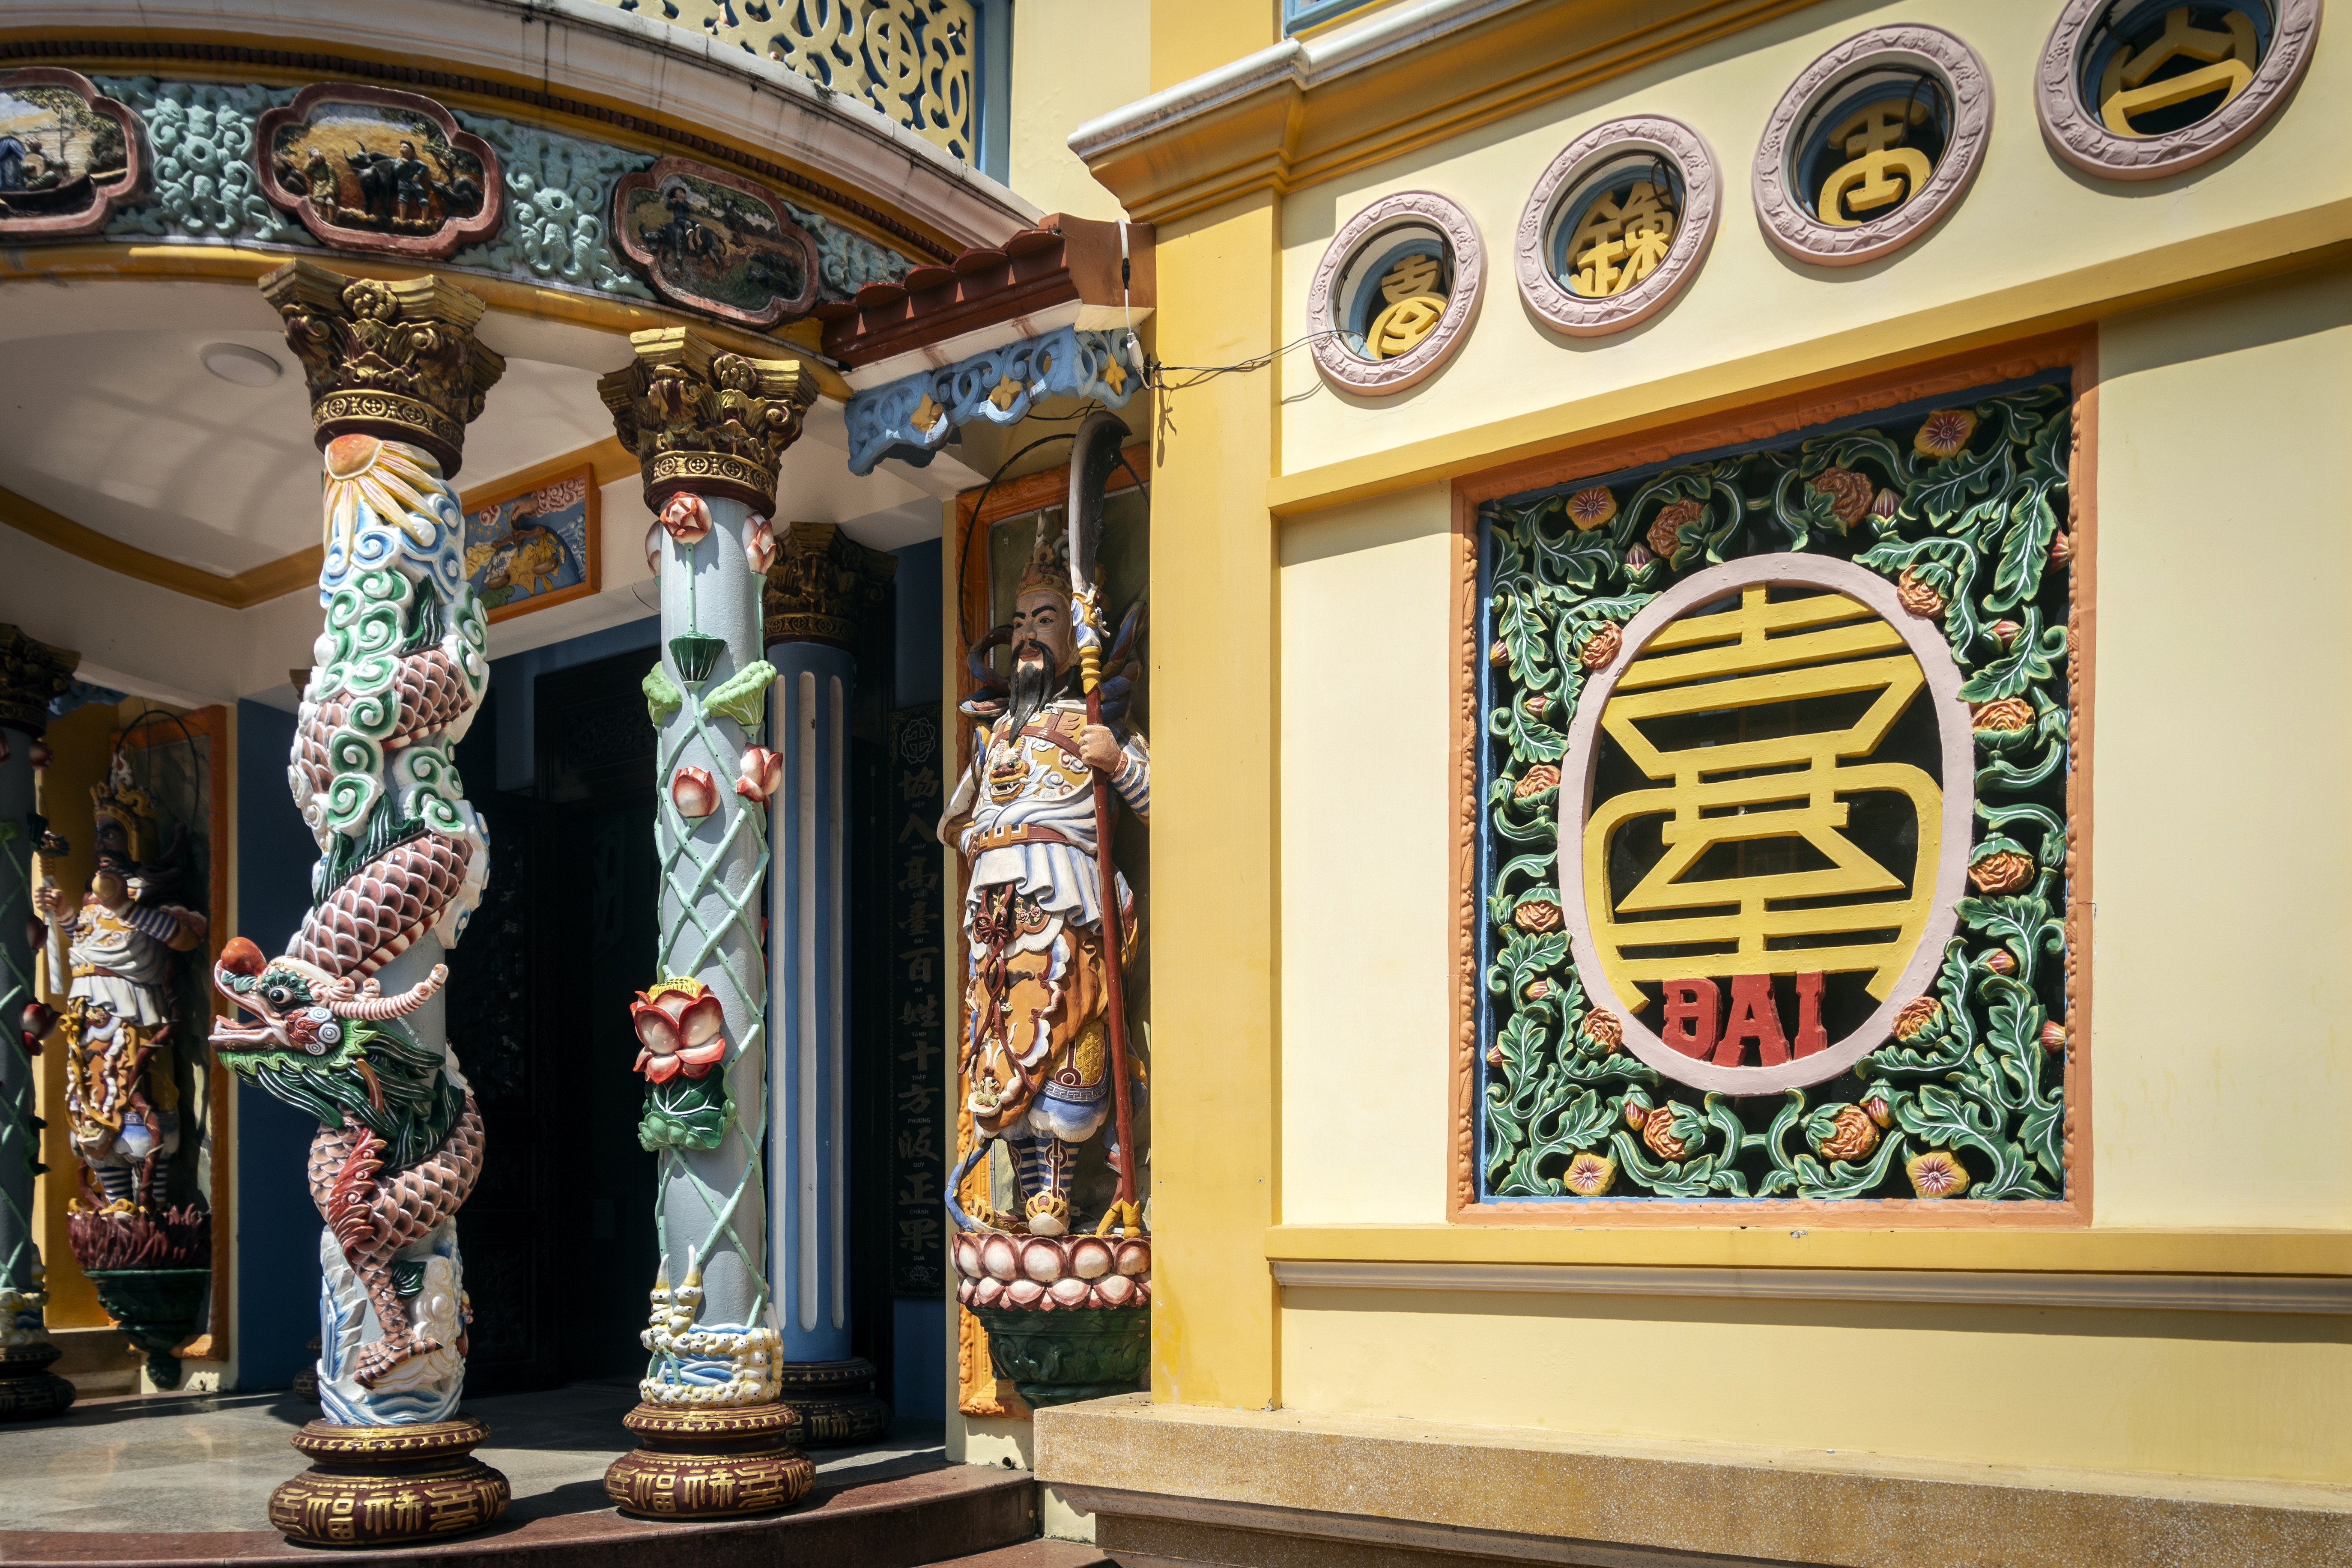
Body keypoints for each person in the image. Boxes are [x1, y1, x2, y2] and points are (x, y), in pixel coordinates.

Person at [939, 527, 1148, 1236]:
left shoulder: (1092, 719)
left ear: (1078, 632)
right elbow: (958, 821)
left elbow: (1159, 802)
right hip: (996, 907)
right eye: (1020, 621)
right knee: (998, 1042)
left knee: (1058, 1034)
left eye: (1045, 619)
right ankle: (1031, 1195)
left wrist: (1116, 761)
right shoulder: (998, 731)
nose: (1027, 636)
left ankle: (1056, 1198)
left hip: (1062, 897)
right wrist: (989, 837)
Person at [33, 769, 205, 1213]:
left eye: (111, 833)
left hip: (133, 1018)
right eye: (99, 835)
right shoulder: (94, 905)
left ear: (133, 838)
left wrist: (124, 905)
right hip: (88, 1023)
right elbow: (86, 944)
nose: (101, 845)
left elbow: (184, 939)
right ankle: (115, 1210)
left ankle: (154, 1210)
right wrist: (66, 912)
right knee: (93, 1118)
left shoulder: (149, 894)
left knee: (141, 1108)